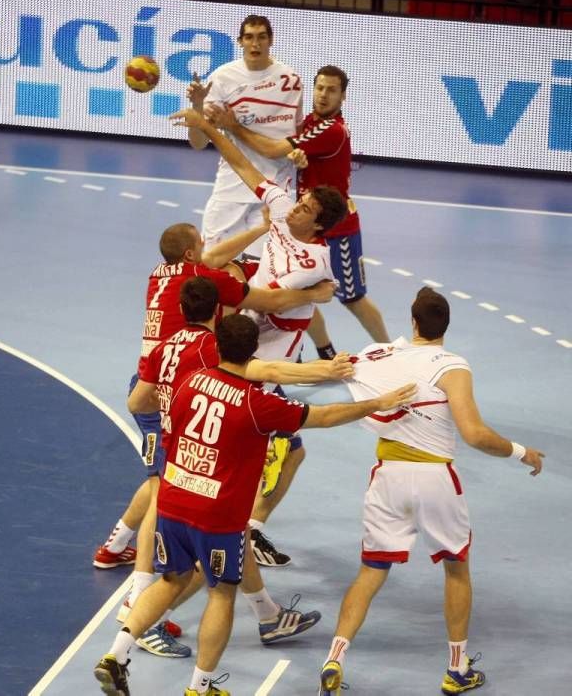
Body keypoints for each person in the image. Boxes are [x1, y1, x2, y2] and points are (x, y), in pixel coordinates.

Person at [94, 312, 417, 696]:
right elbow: (325, 416)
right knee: (221, 593)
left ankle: (116, 654)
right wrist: (377, 402)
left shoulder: (186, 382)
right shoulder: (256, 402)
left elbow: (173, 431)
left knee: (170, 581)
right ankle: (200, 687)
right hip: (217, 514)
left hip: (173, 500)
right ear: (254, 352)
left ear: (217, 347)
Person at [93, 220, 335, 628]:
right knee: (163, 491)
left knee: (171, 487)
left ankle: (116, 546)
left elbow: (210, 259)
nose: (211, 251)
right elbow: (271, 305)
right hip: (170, 393)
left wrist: (260, 227)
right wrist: (315, 296)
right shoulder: (208, 340)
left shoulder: (164, 274)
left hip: (153, 383)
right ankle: (138, 600)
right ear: (194, 257)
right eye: (203, 246)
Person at [318, 287, 544, 696]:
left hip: (387, 477)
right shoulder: (452, 365)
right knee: (456, 569)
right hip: (435, 480)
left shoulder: (378, 355)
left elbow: (325, 387)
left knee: (371, 571)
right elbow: (474, 434)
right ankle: (457, 670)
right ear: (446, 325)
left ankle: (335, 656)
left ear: (413, 322)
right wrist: (521, 452)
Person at [126, 276, 355, 658]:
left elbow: (137, 402)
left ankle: (267, 615)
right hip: (203, 450)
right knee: (201, 557)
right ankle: (145, 619)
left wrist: (173, 415)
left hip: (184, 440)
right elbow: (273, 373)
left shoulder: (169, 344)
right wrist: (328, 370)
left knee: (228, 534)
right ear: (218, 312)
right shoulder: (209, 351)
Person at [171, 105, 348, 567]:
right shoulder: (285, 213)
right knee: (266, 453)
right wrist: (209, 128)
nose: (295, 208)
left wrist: (238, 281)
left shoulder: (315, 263)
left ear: (319, 226)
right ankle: (233, 530)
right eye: (300, 202)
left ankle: (244, 527)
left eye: (306, 209)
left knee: (286, 452)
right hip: (250, 366)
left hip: (259, 360)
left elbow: (265, 300)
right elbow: (245, 166)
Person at [206, 64, 389, 357]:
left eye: (331, 90)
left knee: (353, 299)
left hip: (336, 230)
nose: (323, 95)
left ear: (343, 97)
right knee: (301, 294)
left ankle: (390, 351)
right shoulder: (308, 123)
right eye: (319, 88)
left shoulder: (332, 129)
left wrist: (232, 125)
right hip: (306, 225)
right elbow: (292, 154)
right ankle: (324, 350)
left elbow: (271, 149)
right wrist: (298, 159)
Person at [186, 14, 303, 257]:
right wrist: (197, 107)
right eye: (249, 37)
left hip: (271, 192)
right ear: (240, 42)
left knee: (260, 274)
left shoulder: (289, 81)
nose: (255, 44)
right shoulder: (222, 78)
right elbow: (198, 143)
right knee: (211, 266)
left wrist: (234, 126)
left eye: (261, 37)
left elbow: (293, 138)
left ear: (271, 41)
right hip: (230, 189)